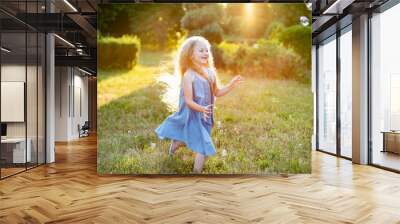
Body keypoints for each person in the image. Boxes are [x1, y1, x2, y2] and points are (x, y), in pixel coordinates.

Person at [155, 36, 243, 173]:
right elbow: (189, 101)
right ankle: (197, 174)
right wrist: (201, 108)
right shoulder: (188, 76)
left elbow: (217, 92)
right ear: (191, 55)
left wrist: (231, 86)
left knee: (195, 139)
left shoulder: (210, 73)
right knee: (202, 146)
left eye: (207, 50)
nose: (205, 53)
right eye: (201, 50)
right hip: (193, 115)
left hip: (205, 117)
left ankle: (178, 142)